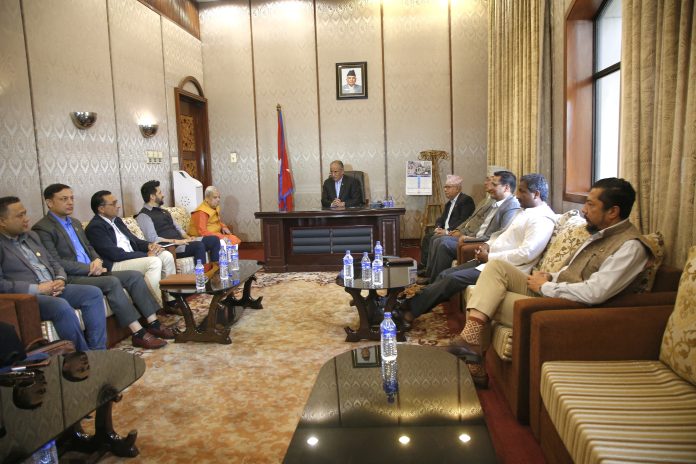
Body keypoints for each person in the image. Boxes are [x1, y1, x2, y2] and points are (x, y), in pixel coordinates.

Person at [451, 177, 653, 387]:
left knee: (485, 299)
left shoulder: (631, 247)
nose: (584, 210)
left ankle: (473, 355)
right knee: (496, 267)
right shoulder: (600, 234)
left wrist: (546, 286)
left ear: (613, 212)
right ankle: (471, 346)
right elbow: (572, 271)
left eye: (591, 204)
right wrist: (549, 277)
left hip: (569, 307)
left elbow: (596, 292)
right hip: (555, 291)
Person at [396, 174, 556, 331]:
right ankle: (410, 306)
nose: (517, 195)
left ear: (536, 194)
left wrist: (489, 256)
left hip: (506, 269)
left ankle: (408, 311)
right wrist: (486, 245)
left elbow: (526, 253)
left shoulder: (542, 219)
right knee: (445, 274)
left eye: (522, 191)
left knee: (451, 278)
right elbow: (500, 235)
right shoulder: (525, 211)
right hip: (489, 260)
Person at [32, 184, 173, 350]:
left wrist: (97, 260)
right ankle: (138, 333)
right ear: (49, 203)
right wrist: (88, 268)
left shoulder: (75, 223)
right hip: (74, 276)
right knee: (112, 282)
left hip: (95, 270)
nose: (70, 202)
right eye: (64, 199)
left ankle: (153, 323)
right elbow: (55, 261)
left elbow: (89, 247)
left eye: (71, 198)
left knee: (134, 276)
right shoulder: (43, 228)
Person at [0, 196, 106, 352]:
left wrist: (60, 279)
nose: (26, 219)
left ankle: (98, 351)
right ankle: (83, 356)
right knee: (60, 306)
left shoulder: (31, 236)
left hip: (55, 287)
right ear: (2, 221)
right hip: (31, 298)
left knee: (93, 293)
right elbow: (2, 284)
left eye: (25, 213)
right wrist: (38, 289)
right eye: (19, 215)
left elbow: (53, 262)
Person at [422, 171, 521, 281]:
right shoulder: (493, 202)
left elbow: (498, 236)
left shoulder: (511, 206)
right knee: (436, 239)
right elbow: (474, 220)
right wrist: (458, 231)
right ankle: (431, 277)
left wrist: (468, 237)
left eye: (494, 184)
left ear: (506, 188)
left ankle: (434, 280)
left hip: (479, 242)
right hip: (473, 236)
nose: (488, 185)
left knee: (443, 243)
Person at [85, 190, 176, 307]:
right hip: (116, 263)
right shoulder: (95, 227)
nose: (118, 206)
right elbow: (115, 254)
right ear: (101, 209)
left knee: (166, 256)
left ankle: (171, 301)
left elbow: (134, 240)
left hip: (131, 257)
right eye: (113, 204)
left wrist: (149, 245)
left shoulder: (117, 220)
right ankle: (155, 306)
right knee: (154, 262)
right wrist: (145, 255)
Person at [137, 180, 221, 265]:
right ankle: (202, 273)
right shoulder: (144, 215)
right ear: (152, 196)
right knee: (199, 246)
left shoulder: (164, 211)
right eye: (159, 193)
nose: (163, 195)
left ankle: (216, 270)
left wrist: (188, 238)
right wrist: (175, 241)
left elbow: (178, 228)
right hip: (172, 247)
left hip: (182, 241)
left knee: (214, 240)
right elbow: (153, 239)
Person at [419, 174, 476, 270]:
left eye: (448, 187)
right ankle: (425, 265)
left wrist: (447, 231)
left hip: (455, 232)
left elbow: (463, 220)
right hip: (445, 230)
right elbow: (441, 219)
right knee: (427, 237)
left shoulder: (466, 200)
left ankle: (429, 268)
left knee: (433, 238)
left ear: (457, 189)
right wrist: (438, 227)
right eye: (445, 187)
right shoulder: (449, 203)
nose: (445, 190)